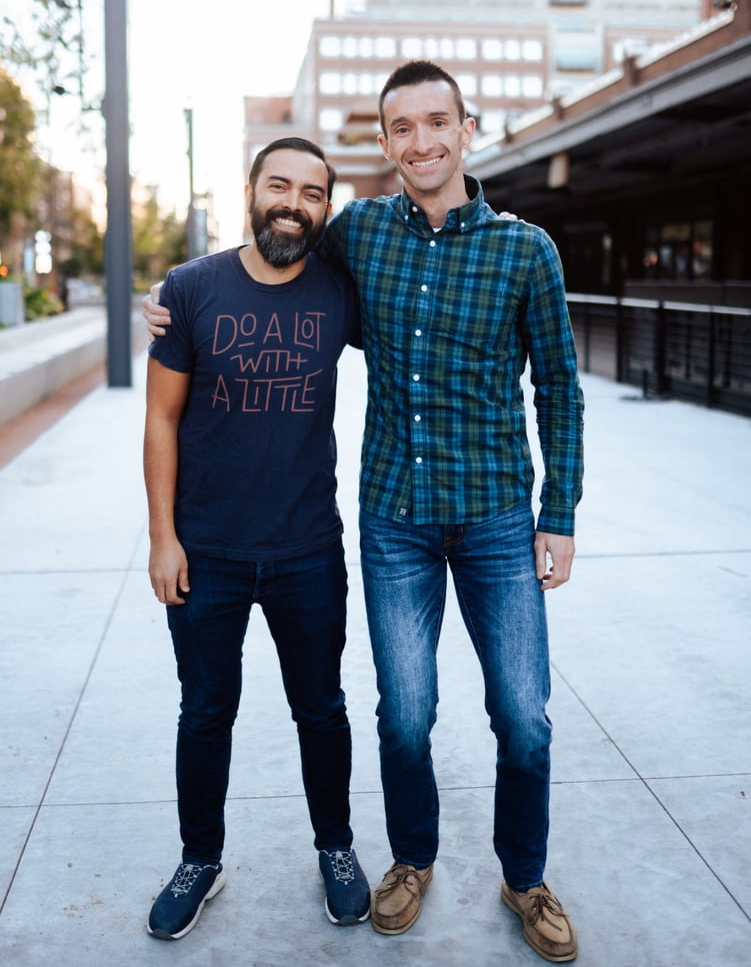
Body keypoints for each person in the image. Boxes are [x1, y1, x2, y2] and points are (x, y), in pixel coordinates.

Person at [144, 61, 584, 962]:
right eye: (401, 128)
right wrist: (164, 306)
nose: (420, 142)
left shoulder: (524, 248)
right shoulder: (362, 236)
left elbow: (560, 393)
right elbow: (266, 260)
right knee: (403, 715)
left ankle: (525, 876)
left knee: (524, 717)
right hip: (393, 518)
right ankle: (410, 859)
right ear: (383, 143)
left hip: (497, 512)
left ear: (466, 129)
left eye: (436, 123)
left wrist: (559, 509)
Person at [142, 137, 370, 941]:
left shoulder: (342, 291)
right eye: (280, 184)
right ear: (250, 189)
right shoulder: (191, 288)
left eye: (312, 193)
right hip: (207, 551)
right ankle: (199, 858)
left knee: (322, 708)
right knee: (205, 710)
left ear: (324, 208)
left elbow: (423, 333)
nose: (293, 203)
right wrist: (162, 537)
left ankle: (336, 848)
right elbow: (160, 420)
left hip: (308, 547)